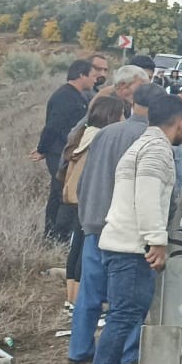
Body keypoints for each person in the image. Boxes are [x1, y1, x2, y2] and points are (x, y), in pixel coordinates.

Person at [79, 94, 182, 364]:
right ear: (180, 122)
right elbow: (147, 197)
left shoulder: (144, 143)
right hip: (130, 247)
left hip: (123, 242)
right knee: (123, 316)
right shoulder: (156, 149)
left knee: (126, 314)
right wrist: (157, 240)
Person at [68, 72, 157, 364]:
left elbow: (85, 180)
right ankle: (126, 354)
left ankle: (79, 348)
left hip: (92, 223)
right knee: (127, 300)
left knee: (89, 294)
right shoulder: (149, 140)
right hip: (123, 229)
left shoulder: (106, 133)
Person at [56, 93, 131, 309]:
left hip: (77, 198)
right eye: (123, 115)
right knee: (85, 253)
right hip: (91, 199)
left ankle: (71, 298)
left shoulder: (84, 133)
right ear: (113, 116)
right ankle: (79, 301)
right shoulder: (101, 137)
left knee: (76, 247)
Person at [33, 59, 95, 242]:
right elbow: (53, 126)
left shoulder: (76, 95)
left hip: (62, 152)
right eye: (92, 75)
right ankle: (57, 238)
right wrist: (42, 148)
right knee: (63, 196)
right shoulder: (65, 97)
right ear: (81, 75)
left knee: (57, 194)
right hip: (59, 153)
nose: (94, 80)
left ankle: (51, 236)